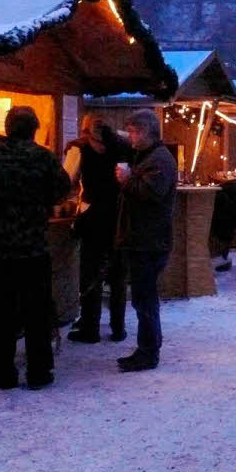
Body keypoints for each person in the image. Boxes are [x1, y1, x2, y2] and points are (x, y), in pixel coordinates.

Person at [0, 106, 71, 391]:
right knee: (36, 312)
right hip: (33, 249)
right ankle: (39, 372)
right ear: (33, 129)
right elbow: (62, 189)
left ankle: (4, 373)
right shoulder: (42, 156)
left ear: (8, 127)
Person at [114, 109, 177, 372]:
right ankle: (147, 348)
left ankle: (148, 351)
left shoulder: (159, 160)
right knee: (143, 296)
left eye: (133, 131)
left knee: (145, 297)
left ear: (146, 131)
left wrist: (127, 181)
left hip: (149, 241)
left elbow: (149, 194)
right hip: (144, 239)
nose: (130, 136)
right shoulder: (149, 156)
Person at [63, 114, 131, 344]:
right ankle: (118, 328)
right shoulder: (123, 147)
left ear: (84, 130)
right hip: (119, 216)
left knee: (90, 274)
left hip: (92, 218)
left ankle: (90, 328)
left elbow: (65, 181)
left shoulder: (79, 149)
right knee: (118, 275)